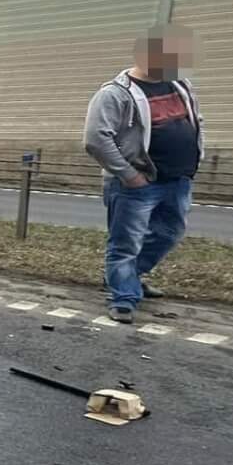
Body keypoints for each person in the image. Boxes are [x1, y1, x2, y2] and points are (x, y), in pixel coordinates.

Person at [83, 25, 203, 322]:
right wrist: (128, 175)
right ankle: (123, 297)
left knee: (168, 235)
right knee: (125, 243)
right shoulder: (115, 93)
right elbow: (96, 139)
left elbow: (195, 121)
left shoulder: (180, 86)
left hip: (177, 179)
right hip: (136, 184)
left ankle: (128, 277)